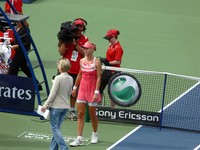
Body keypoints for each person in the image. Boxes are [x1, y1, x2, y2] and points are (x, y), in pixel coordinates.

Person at [70, 41, 102, 147]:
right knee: (80, 114)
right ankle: (79, 138)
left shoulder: (97, 62)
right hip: (82, 91)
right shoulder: (81, 61)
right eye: (84, 48)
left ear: (92, 49)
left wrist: (96, 92)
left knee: (92, 115)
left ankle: (95, 134)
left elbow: (98, 77)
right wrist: (75, 87)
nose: (85, 50)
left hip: (92, 91)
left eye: (87, 48)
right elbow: (79, 75)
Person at [58, 18, 89, 121]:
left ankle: (71, 111)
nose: (79, 28)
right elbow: (61, 52)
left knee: (73, 93)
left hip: (77, 70)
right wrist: (63, 39)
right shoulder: (67, 37)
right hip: (64, 68)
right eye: (78, 26)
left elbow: (85, 53)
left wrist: (75, 44)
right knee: (60, 90)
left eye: (81, 26)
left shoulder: (85, 39)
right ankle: (58, 109)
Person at [41, 58, 73, 150]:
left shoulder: (58, 78)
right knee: (57, 129)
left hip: (56, 107)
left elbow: (52, 94)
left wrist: (45, 105)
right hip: (65, 107)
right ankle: (53, 148)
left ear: (61, 67)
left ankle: (64, 148)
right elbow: (69, 93)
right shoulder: (70, 78)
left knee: (54, 129)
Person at [7, 21, 42, 91]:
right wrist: (11, 43)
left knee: (13, 69)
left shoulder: (25, 30)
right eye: (16, 22)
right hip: (19, 51)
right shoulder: (18, 28)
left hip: (22, 52)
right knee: (25, 68)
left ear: (22, 22)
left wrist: (17, 46)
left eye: (18, 22)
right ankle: (37, 86)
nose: (16, 23)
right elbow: (18, 39)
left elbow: (27, 42)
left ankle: (9, 86)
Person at [99, 29, 124, 107]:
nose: (108, 40)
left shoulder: (118, 48)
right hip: (107, 70)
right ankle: (98, 107)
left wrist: (108, 63)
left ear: (114, 37)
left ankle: (112, 110)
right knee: (99, 88)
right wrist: (105, 61)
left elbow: (118, 61)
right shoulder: (110, 46)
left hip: (114, 72)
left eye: (109, 38)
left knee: (112, 91)